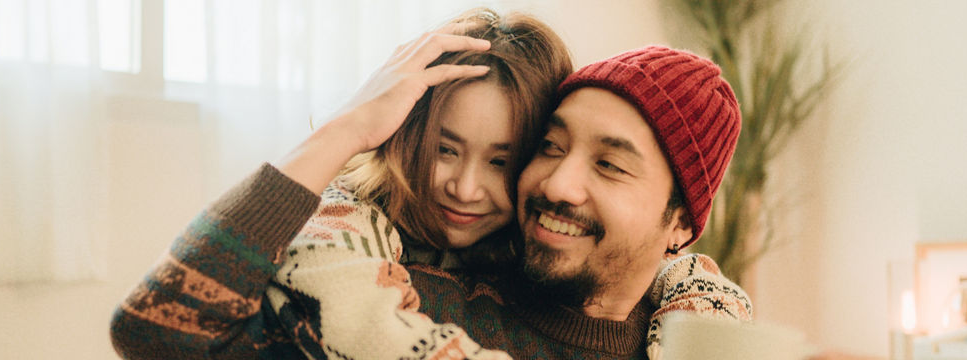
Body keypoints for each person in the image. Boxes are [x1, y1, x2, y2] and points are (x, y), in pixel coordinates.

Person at [111, 12, 750, 359]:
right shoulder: (405, 299)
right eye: (550, 149)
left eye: (610, 164)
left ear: (681, 224)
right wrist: (345, 130)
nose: (559, 182)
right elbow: (158, 331)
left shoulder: (708, 328)